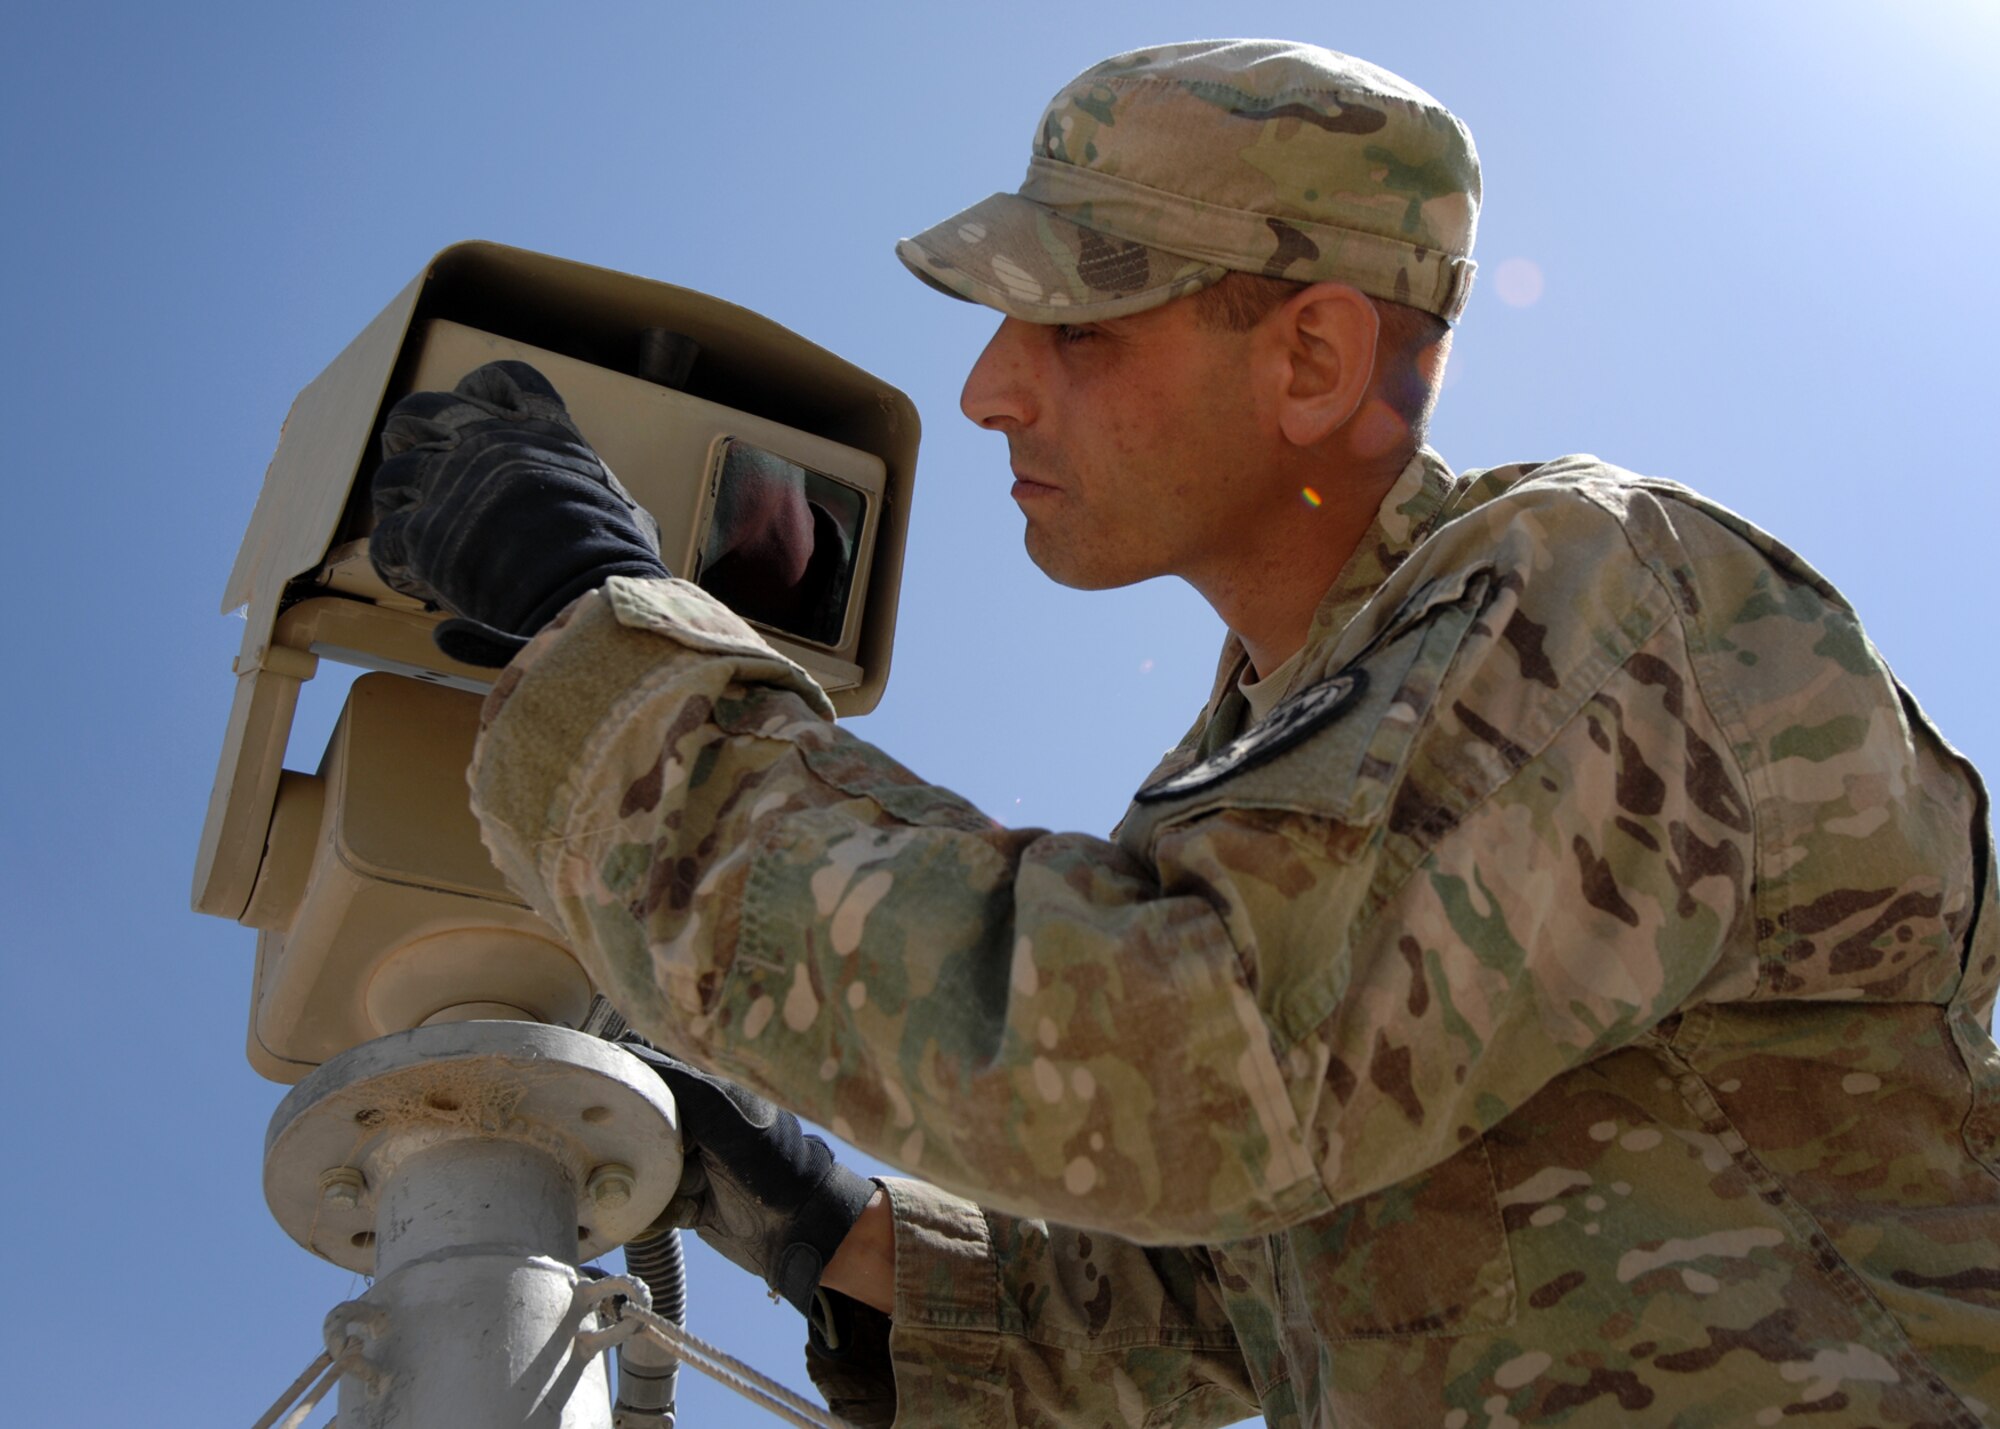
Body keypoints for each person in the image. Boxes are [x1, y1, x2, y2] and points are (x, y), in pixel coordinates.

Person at [367, 40, 2000, 1429]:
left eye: (1072, 324)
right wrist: (791, 1194)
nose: (991, 389)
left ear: (1311, 358)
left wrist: (610, 645)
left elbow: (1199, 1073)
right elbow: (1182, 1302)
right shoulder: (1260, 777)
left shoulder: (1586, 592)